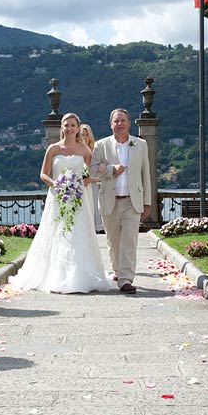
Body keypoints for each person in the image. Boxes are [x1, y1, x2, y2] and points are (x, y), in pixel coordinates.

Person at [9, 113, 114, 294]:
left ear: (77, 127)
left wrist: (82, 182)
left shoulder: (83, 149)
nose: (69, 128)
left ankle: (78, 276)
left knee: (77, 234)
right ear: (62, 128)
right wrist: (56, 184)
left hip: (77, 198)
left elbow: (94, 172)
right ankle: (54, 275)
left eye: (73, 125)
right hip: (57, 197)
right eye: (66, 125)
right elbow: (43, 173)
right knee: (56, 232)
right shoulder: (53, 148)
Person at [90, 108, 151, 294]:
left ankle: (126, 279)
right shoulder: (101, 145)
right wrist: (110, 170)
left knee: (130, 241)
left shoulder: (140, 144)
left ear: (129, 122)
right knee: (113, 241)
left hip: (132, 201)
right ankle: (117, 270)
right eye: (116, 121)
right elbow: (92, 171)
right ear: (111, 124)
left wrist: (147, 202)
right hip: (110, 200)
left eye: (123, 120)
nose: (120, 124)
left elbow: (145, 174)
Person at [80, 123, 103, 233]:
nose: (84, 137)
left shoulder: (95, 151)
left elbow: (102, 174)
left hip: (93, 187)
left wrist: (90, 179)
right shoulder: (76, 152)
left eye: (86, 134)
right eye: (81, 134)